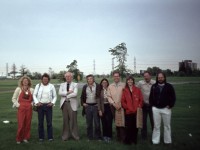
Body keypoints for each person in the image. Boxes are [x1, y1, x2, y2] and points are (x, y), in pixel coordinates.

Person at [149, 72, 176, 144]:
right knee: (156, 126)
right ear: (157, 78)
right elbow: (151, 97)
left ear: (164, 78)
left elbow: (173, 97)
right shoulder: (154, 86)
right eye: (159, 77)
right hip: (156, 109)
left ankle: (167, 141)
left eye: (161, 77)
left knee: (167, 126)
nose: (160, 79)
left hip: (166, 109)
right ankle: (155, 141)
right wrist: (152, 105)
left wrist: (170, 105)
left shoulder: (169, 86)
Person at [33, 73, 57, 142]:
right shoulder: (38, 86)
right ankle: (41, 137)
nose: (45, 80)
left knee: (49, 122)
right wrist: (37, 102)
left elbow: (55, 96)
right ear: (42, 80)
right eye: (44, 79)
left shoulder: (51, 86)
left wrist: (52, 103)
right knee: (40, 122)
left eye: (46, 79)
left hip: (48, 106)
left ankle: (50, 137)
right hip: (40, 106)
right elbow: (34, 95)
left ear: (48, 80)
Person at [12, 76, 34, 144]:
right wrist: (18, 105)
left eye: (26, 81)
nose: (25, 82)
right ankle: (19, 138)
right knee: (21, 124)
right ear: (22, 82)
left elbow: (34, 99)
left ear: (28, 82)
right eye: (24, 81)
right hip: (21, 108)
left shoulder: (32, 90)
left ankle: (25, 138)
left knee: (27, 124)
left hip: (29, 109)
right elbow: (13, 98)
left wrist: (31, 104)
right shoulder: (18, 89)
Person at [121, 76, 143, 145]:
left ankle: (134, 140)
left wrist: (138, 107)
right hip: (128, 112)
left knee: (135, 127)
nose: (130, 81)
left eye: (131, 80)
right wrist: (127, 107)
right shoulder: (124, 90)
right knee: (129, 127)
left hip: (136, 112)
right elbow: (123, 101)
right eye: (128, 80)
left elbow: (141, 100)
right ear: (126, 81)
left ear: (133, 81)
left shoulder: (137, 89)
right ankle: (128, 141)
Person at [59, 72, 79, 141]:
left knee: (73, 120)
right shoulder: (62, 84)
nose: (68, 77)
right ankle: (65, 136)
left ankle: (75, 136)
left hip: (72, 104)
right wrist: (68, 93)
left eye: (69, 76)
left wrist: (66, 95)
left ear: (72, 77)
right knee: (65, 120)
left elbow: (75, 94)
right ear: (65, 77)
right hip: (64, 104)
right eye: (66, 76)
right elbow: (60, 93)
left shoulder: (75, 84)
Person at [80, 74, 101, 141]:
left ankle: (97, 137)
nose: (89, 80)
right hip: (88, 107)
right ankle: (90, 137)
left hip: (95, 106)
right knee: (89, 124)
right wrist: (83, 103)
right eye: (88, 79)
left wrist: (99, 104)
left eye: (91, 78)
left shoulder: (98, 86)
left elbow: (101, 96)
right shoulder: (85, 87)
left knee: (97, 123)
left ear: (93, 79)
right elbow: (82, 97)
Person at [107, 71, 125, 143]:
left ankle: (123, 137)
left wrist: (120, 104)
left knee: (123, 122)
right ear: (113, 77)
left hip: (122, 106)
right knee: (117, 122)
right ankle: (118, 137)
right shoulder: (110, 86)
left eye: (117, 76)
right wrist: (113, 103)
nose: (116, 77)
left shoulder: (123, 85)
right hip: (113, 106)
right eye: (115, 76)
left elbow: (126, 96)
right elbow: (108, 96)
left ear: (119, 77)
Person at [137, 71, 155, 140]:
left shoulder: (154, 83)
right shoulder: (140, 83)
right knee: (143, 122)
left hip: (152, 105)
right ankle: (143, 136)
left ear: (150, 76)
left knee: (153, 121)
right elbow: (136, 91)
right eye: (144, 76)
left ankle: (155, 136)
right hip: (143, 105)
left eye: (147, 76)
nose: (146, 77)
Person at [98, 78, 113, 142]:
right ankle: (104, 136)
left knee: (109, 122)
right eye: (103, 82)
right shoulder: (100, 90)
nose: (104, 83)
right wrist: (99, 110)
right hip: (102, 107)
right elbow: (98, 101)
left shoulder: (110, 89)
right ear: (101, 83)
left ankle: (109, 136)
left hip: (109, 107)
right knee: (103, 122)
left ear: (107, 83)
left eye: (105, 82)